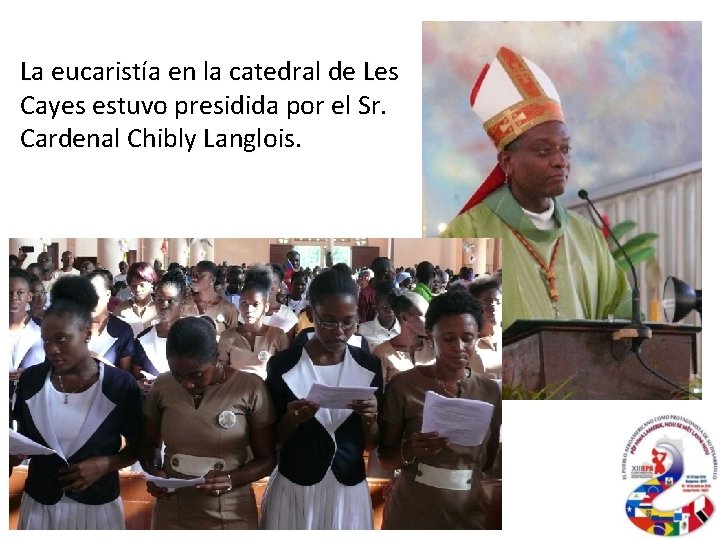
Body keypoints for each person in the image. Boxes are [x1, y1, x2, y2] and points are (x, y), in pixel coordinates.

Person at [440, 46, 632, 327]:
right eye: (543, 151)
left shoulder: (586, 236)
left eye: (565, 149)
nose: (560, 161)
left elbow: (621, 314)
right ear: (507, 162)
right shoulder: (469, 231)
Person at [10, 275, 143, 529]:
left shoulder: (118, 385)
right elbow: (21, 442)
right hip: (40, 504)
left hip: (97, 507)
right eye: (46, 340)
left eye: (62, 339)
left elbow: (141, 447)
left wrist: (106, 464)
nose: (52, 350)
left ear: (85, 333)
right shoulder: (31, 381)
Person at [260, 264, 382, 530]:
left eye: (348, 321)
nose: (339, 331)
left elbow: (373, 445)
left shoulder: (369, 366)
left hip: (347, 488)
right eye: (328, 321)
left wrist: (370, 419)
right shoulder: (283, 365)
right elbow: (272, 440)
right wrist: (292, 420)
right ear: (311, 313)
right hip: (295, 485)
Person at [377, 288, 502, 529]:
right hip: (412, 511)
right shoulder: (404, 386)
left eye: (468, 338)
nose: (459, 346)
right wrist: (410, 449)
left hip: (466, 512)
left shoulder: (489, 391)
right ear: (430, 335)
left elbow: (488, 460)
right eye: (448, 338)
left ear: (477, 336)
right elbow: (385, 459)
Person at [140, 316, 276, 529]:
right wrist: (155, 472)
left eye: (196, 374)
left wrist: (231, 478)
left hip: (230, 510)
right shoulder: (162, 386)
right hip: (172, 509)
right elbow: (149, 445)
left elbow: (267, 459)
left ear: (216, 357)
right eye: (177, 375)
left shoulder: (249, 388)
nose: (186, 384)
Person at [218, 266, 290, 380]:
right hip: (235, 394)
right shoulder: (227, 336)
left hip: (268, 394)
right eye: (244, 303)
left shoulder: (278, 336)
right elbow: (222, 372)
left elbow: (285, 372)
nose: (249, 310)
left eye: (255, 304)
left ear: (266, 307)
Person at [132, 269, 187, 391]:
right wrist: (141, 384)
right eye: (160, 300)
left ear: (182, 304)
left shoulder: (193, 336)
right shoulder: (143, 339)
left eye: (171, 301)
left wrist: (163, 385)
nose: (164, 306)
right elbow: (136, 377)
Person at [372, 289, 433, 384]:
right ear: (404, 318)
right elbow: (379, 393)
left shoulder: (433, 348)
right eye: (425, 316)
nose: (431, 321)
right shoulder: (381, 353)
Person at [86, 270, 134, 371]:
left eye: (94, 294)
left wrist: (100, 362)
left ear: (108, 295)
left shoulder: (122, 330)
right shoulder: (73, 327)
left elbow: (125, 376)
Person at [9, 268, 45, 404]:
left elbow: (54, 364)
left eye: (20, 293)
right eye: (9, 292)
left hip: (33, 400)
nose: (14, 298)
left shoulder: (43, 328)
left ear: (29, 296)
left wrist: (30, 373)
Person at [183, 260, 239, 338]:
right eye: (193, 275)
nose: (194, 279)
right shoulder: (184, 304)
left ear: (213, 280)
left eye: (199, 275)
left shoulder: (228, 309)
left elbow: (233, 340)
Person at [113, 262, 159, 337]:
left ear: (152, 283)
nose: (138, 289)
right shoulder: (121, 309)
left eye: (142, 285)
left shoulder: (160, 307)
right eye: (134, 286)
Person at [468, 277, 502, 377]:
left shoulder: (511, 338)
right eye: (488, 302)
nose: (494, 307)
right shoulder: (470, 347)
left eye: (498, 302)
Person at [357, 280, 401, 352]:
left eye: (393, 306)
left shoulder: (403, 329)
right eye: (385, 307)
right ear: (376, 307)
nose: (390, 310)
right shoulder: (363, 329)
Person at [357, 256, 395, 323]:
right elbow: (362, 321)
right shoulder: (365, 294)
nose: (394, 271)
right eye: (393, 267)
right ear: (386, 270)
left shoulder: (394, 291)